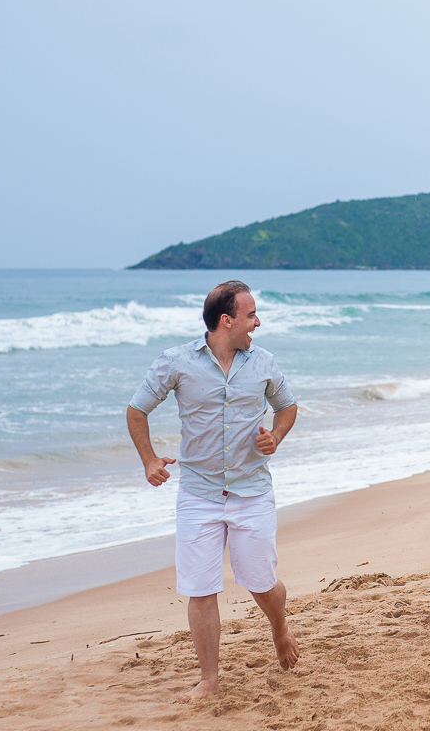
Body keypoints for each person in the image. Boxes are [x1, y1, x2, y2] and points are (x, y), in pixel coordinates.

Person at [126, 280, 300, 703]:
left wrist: (275, 437)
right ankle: (209, 680)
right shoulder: (176, 362)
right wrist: (149, 460)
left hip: (252, 491)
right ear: (227, 320)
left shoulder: (263, 362)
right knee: (200, 589)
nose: (257, 322)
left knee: (262, 583)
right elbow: (137, 409)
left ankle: (279, 627)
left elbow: (287, 406)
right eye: (251, 315)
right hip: (198, 495)